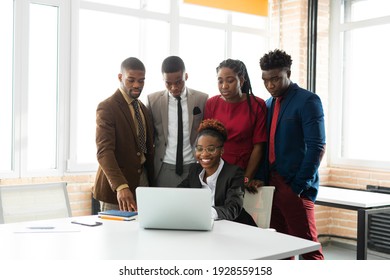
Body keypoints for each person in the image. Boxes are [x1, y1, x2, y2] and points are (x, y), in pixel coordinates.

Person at [259, 49, 326, 260]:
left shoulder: (308, 100)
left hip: (295, 187)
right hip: (272, 186)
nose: (270, 85)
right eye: (266, 80)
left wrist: (298, 186)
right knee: (280, 249)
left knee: (309, 251)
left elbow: (317, 146)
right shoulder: (267, 104)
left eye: (276, 79)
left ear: (288, 72)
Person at [93, 57, 154, 212]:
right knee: (114, 234)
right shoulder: (107, 107)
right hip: (117, 189)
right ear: (120, 77)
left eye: (141, 81)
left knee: (141, 235)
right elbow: (104, 151)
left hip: (142, 185)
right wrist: (121, 186)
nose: (136, 85)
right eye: (131, 80)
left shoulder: (142, 108)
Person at [177, 119, 257, 226]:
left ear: (222, 151)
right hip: (205, 228)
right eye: (200, 149)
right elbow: (178, 192)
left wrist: (205, 213)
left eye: (211, 149)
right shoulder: (195, 170)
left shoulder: (234, 173)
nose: (204, 154)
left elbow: (233, 208)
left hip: (236, 229)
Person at [204, 59, 267, 192]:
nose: (224, 86)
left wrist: (246, 179)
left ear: (241, 80)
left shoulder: (257, 104)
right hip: (216, 171)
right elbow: (206, 143)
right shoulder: (211, 103)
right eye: (220, 81)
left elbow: (259, 147)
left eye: (230, 80)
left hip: (244, 170)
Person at [147, 56, 208, 187]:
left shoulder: (202, 99)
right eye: (168, 83)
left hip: (193, 166)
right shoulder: (153, 101)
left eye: (179, 82)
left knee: (191, 207)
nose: (174, 87)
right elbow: (150, 136)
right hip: (164, 166)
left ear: (186, 76)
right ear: (163, 79)